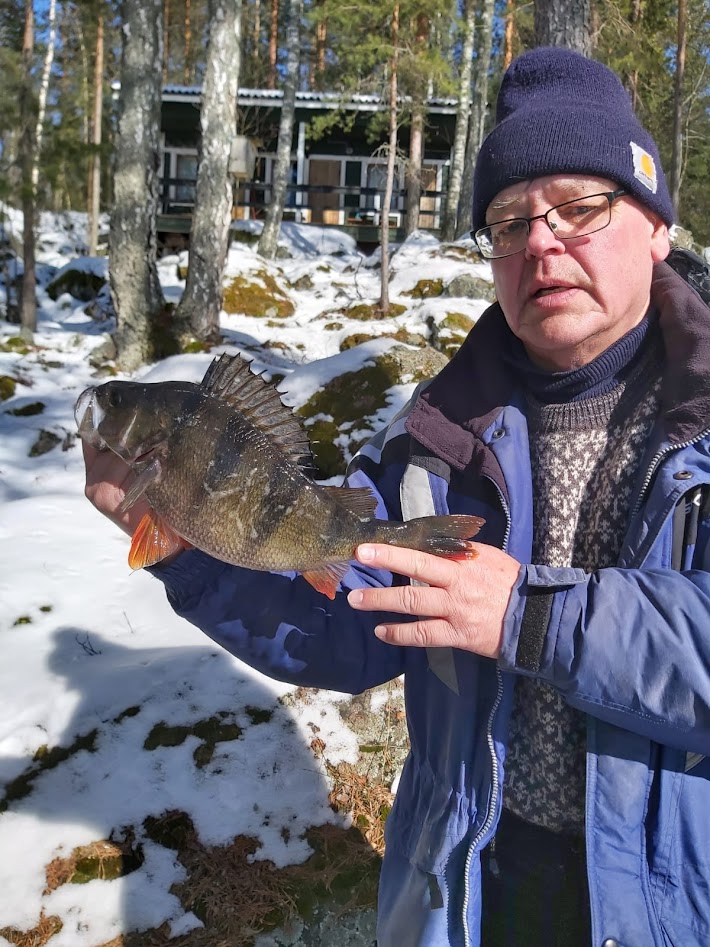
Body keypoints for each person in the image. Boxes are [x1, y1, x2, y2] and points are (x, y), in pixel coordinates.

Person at [82, 46, 710, 947]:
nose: (540, 242)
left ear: (654, 222)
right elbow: (342, 625)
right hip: (471, 889)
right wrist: (182, 546)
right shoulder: (435, 440)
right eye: (507, 221)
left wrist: (530, 618)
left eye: (578, 207)